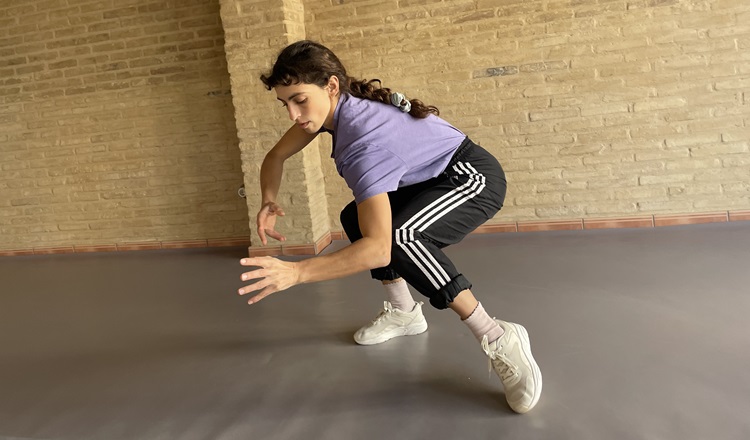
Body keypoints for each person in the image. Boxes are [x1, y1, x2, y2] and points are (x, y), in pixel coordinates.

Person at [238, 40, 542, 414]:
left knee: (400, 237)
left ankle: (497, 335)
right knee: (356, 218)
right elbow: (276, 156)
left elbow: (378, 251)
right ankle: (404, 312)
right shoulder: (332, 110)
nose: (292, 113)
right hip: (430, 178)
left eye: (299, 100)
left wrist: (296, 273)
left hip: (471, 177)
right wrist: (269, 199)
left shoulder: (363, 142)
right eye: (284, 103)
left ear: (331, 86)